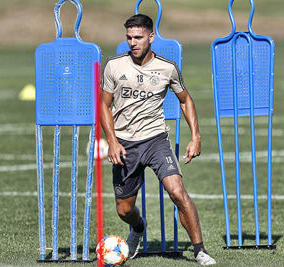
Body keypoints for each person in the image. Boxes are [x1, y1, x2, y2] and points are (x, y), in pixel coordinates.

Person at [100, 14, 216, 266]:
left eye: (138, 37)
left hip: (155, 140)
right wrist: (112, 141)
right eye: (129, 37)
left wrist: (196, 136)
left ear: (151, 37)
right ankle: (138, 229)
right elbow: (104, 106)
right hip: (124, 144)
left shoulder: (167, 67)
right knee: (124, 210)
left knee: (177, 192)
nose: (133, 42)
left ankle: (199, 251)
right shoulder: (114, 66)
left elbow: (186, 100)